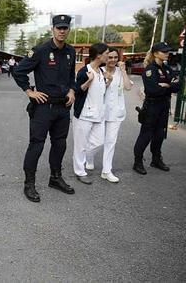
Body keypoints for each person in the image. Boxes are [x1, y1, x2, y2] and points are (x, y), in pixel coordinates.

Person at [11, 14, 76, 203]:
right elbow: (19, 71)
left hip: (63, 106)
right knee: (37, 145)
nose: (62, 31)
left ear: (68, 29)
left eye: (65, 28)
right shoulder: (40, 50)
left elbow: (71, 76)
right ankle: (29, 183)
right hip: (43, 107)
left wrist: (72, 91)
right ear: (52, 29)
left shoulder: (70, 52)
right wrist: (29, 91)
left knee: (60, 144)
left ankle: (55, 177)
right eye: (59, 28)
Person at [85, 47, 133, 183]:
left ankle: (106, 171)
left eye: (115, 58)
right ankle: (89, 157)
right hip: (100, 111)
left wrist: (123, 70)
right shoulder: (99, 71)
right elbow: (96, 92)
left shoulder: (120, 71)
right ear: (105, 58)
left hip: (116, 113)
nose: (112, 60)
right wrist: (108, 81)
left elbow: (128, 87)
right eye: (110, 57)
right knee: (97, 141)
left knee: (111, 142)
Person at [132, 42, 180, 174]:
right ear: (155, 53)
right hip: (152, 106)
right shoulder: (149, 70)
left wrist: (166, 86)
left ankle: (156, 159)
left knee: (159, 134)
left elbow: (178, 86)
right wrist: (168, 86)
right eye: (164, 51)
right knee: (146, 135)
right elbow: (153, 90)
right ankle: (137, 161)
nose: (167, 53)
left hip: (164, 106)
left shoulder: (168, 69)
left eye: (167, 51)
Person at [72, 43, 109, 184]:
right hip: (84, 115)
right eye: (106, 53)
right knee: (80, 145)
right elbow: (77, 90)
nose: (108, 56)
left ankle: (82, 157)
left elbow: (100, 91)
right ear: (98, 55)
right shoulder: (84, 71)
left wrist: (108, 81)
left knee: (99, 142)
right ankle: (80, 171)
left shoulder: (101, 71)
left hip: (99, 114)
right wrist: (88, 81)